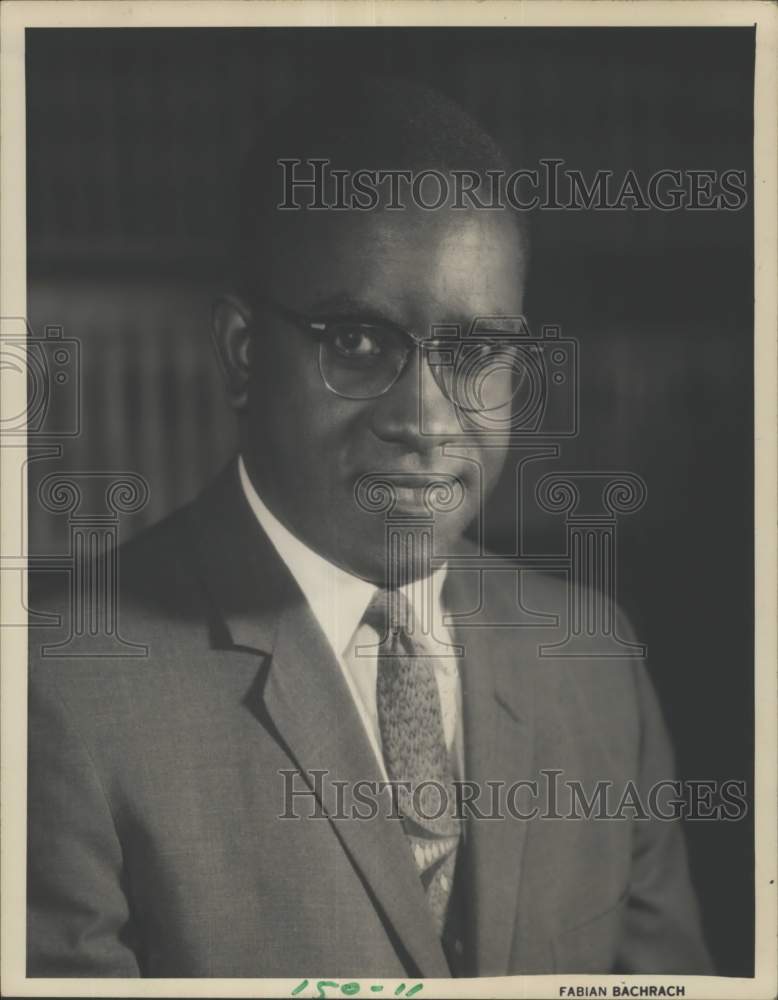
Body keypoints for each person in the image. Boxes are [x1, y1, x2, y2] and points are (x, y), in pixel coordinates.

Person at [27, 76, 713, 979]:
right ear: (242, 354)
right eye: (356, 342)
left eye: (477, 351)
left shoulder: (595, 663)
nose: (426, 420)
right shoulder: (58, 696)